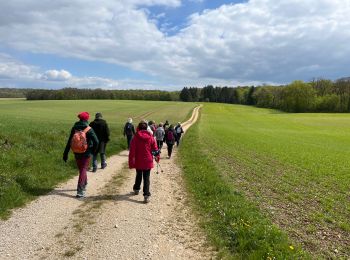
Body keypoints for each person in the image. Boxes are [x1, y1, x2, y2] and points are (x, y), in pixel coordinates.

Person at [63, 112, 99, 198]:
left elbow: (69, 141)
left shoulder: (74, 128)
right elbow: (96, 141)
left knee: (81, 169)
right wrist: (93, 151)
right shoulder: (89, 129)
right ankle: (80, 191)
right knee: (83, 169)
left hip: (76, 152)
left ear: (79, 119)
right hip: (86, 152)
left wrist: (65, 153)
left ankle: (84, 183)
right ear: (86, 119)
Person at [128, 120, 159, 203]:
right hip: (148, 161)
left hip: (138, 160)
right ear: (146, 128)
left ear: (138, 128)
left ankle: (136, 189)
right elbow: (155, 149)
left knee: (138, 175)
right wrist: (157, 157)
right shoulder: (151, 137)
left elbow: (132, 151)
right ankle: (146, 195)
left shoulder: (135, 137)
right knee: (146, 178)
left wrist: (131, 161)